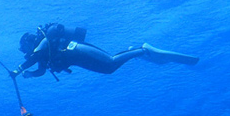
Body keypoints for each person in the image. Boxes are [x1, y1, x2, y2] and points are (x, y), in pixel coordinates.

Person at [11, 23, 199, 79]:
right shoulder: (42, 56)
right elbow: (41, 70)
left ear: (28, 42)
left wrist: (18, 70)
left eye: (24, 48)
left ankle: (142, 50)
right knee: (109, 69)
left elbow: (37, 52)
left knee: (110, 61)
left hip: (75, 50)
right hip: (75, 59)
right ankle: (134, 52)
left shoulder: (43, 42)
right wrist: (30, 75)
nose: (24, 52)